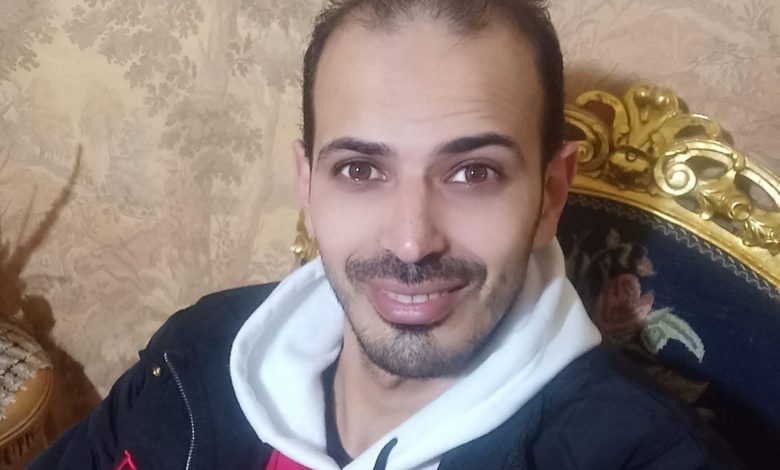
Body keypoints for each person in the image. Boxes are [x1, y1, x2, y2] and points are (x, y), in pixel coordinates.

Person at [32, 1, 733, 469]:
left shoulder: (637, 454)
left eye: (473, 173)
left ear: (551, 192)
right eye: (361, 169)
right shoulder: (201, 350)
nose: (411, 243)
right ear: (308, 185)